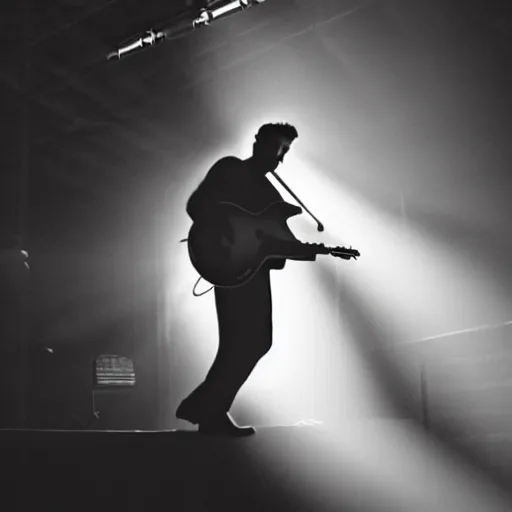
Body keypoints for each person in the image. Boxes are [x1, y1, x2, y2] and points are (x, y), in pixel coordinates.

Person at [176, 122, 314, 436]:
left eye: (285, 152)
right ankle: (208, 410)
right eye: (277, 147)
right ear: (257, 143)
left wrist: (307, 250)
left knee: (254, 342)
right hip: (231, 269)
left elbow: (279, 247)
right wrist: (234, 232)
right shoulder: (230, 169)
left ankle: (207, 408)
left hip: (252, 272)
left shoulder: (271, 194)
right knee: (243, 342)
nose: (279, 158)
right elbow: (196, 206)